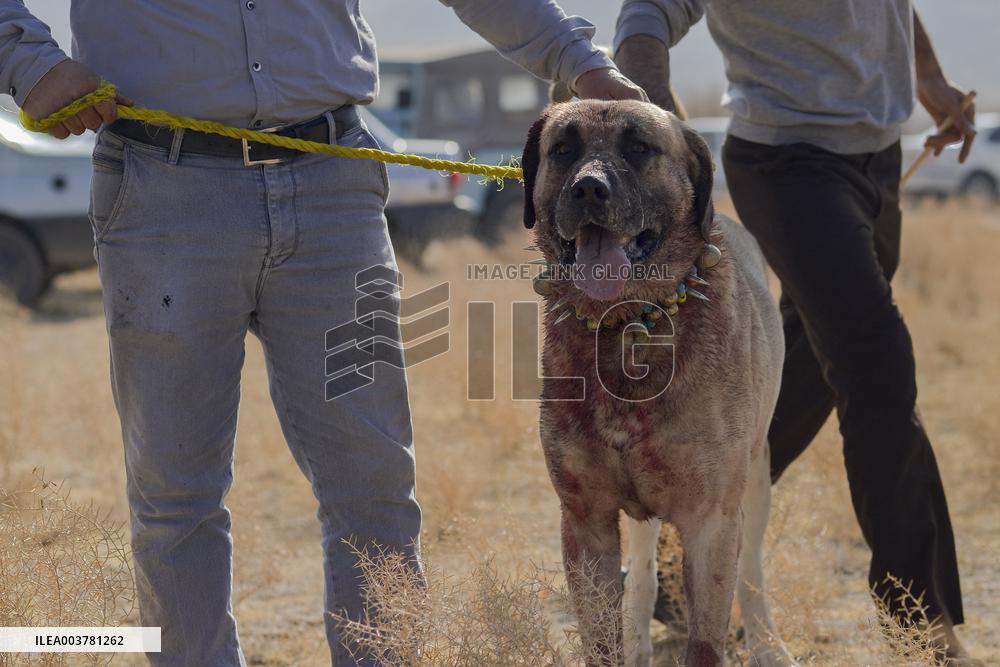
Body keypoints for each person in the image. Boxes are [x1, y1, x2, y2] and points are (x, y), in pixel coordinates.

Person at [0, 1, 645, 664]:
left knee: (373, 484)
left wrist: (584, 66)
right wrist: (24, 58)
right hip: (162, 190)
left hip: (332, 190)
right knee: (175, 495)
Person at [613, 0, 980, 662]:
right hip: (788, 166)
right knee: (877, 363)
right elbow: (646, 16)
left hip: (877, 157)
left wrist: (927, 78)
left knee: (809, 349)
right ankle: (920, 625)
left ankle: (680, 556)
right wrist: (659, 130)